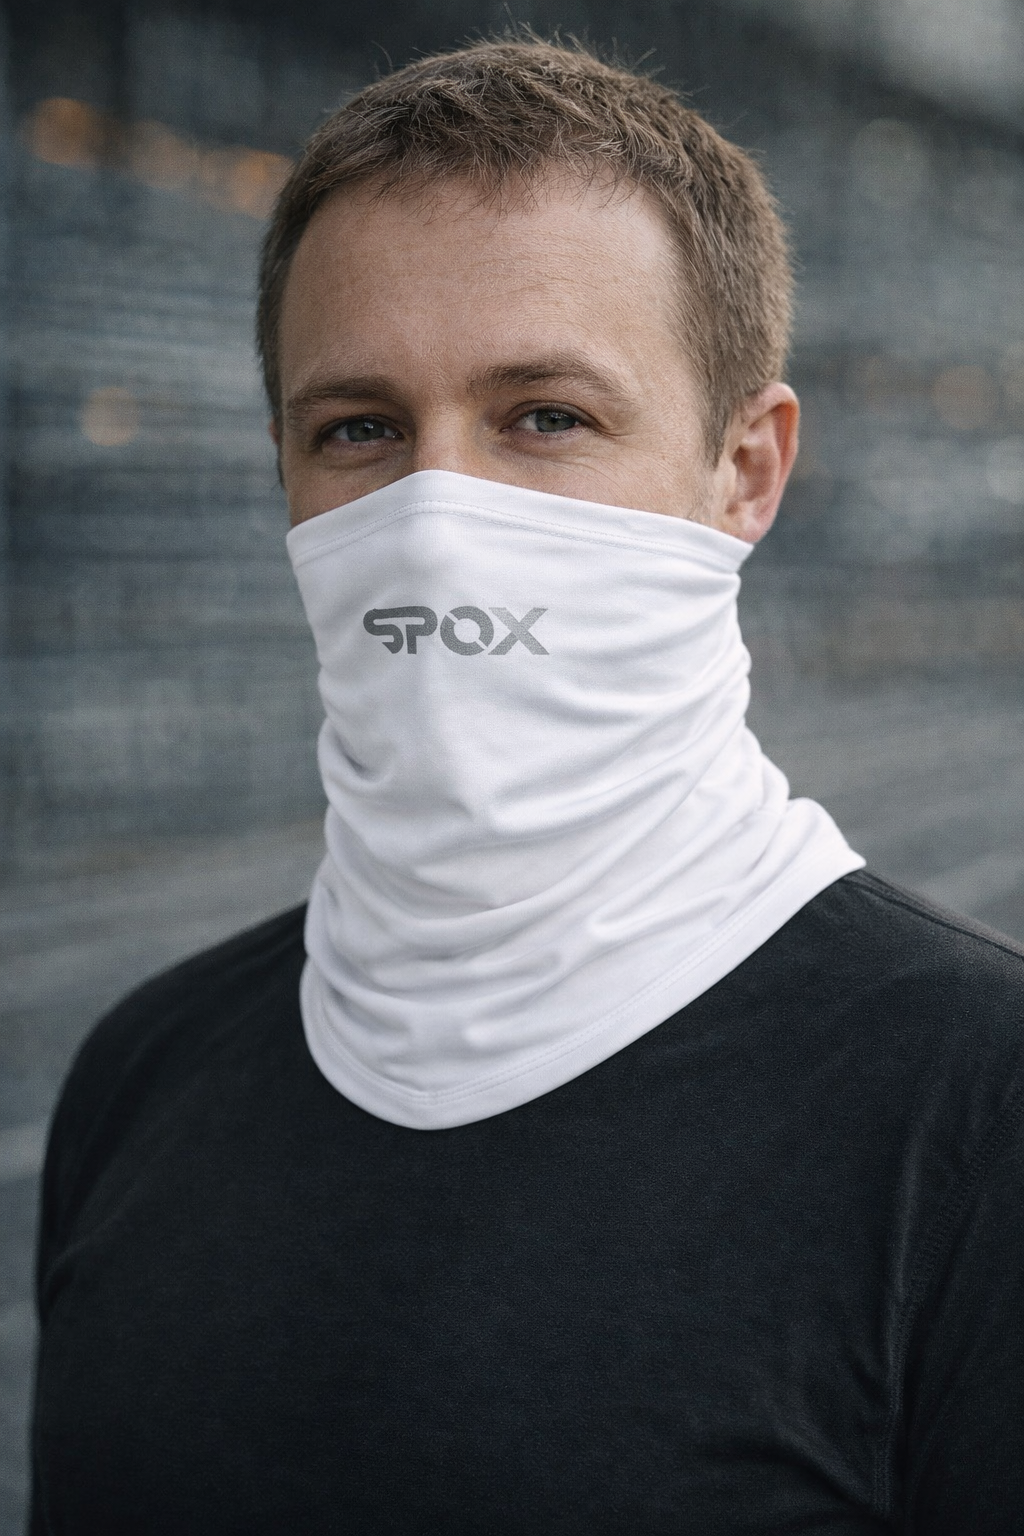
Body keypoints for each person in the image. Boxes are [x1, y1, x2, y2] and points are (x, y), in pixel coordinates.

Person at [30, 39, 1024, 1535]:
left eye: (546, 417)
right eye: (359, 429)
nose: (437, 523)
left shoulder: (978, 1113)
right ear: (284, 470)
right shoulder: (139, 1079)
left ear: (746, 470)